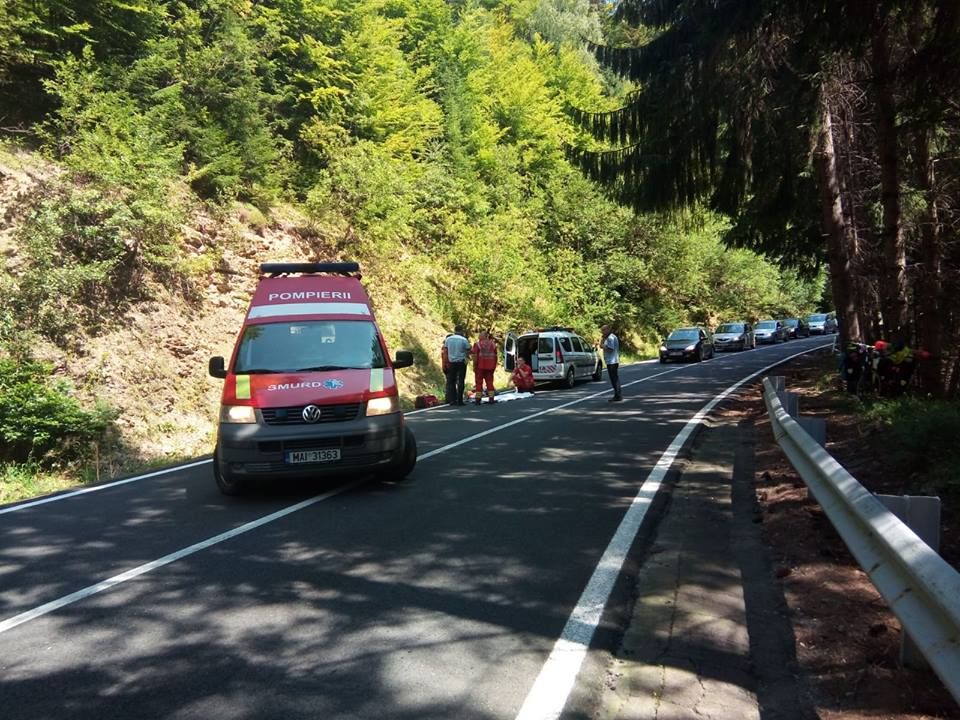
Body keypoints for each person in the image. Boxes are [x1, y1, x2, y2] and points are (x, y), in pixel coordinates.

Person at [443, 326, 470, 406]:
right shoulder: (464, 340)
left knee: (451, 381)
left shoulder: (448, 339)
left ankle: (452, 400)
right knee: (461, 380)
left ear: (454, 330)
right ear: (461, 331)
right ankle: (460, 400)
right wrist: (467, 358)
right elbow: (468, 350)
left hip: (452, 363)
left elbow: (445, 350)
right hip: (461, 362)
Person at [471, 330, 498, 405]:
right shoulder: (493, 344)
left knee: (479, 382)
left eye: (480, 335)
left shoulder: (477, 344)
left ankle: (478, 399)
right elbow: (495, 356)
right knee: (489, 382)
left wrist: (474, 366)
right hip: (490, 367)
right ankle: (491, 398)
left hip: (480, 366)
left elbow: (475, 356)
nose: (479, 336)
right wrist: (494, 366)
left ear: (483, 336)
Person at [600, 324, 622, 401]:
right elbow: (601, 345)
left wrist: (603, 346)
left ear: (608, 329)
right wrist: (602, 341)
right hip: (610, 361)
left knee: (614, 378)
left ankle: (618, 395)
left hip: (613, 361)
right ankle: (617, 394)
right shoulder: (607, 338)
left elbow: (610, 349)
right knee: (613, 378)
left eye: (603, 330)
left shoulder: (611, 338)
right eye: (601, 330)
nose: (602, 332)